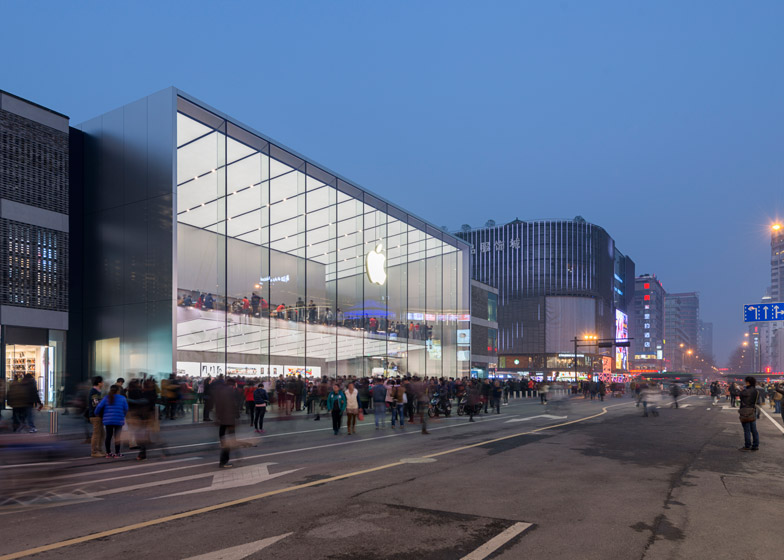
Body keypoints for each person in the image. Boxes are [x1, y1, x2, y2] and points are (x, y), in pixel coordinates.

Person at [94, 385, 128, 458]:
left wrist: (96, 413)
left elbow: (99, 406)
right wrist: (123, 415)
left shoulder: (106, 397)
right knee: (117, 437)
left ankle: (108, 453)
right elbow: (126, 409)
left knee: (108, 436)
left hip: (108, 420)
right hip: (119, 420)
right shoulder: (122, 398)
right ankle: (117, 453)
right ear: (118, 391)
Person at [214, 377, 239, 468]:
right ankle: (223, 461)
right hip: (228, 420)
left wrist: (218, 417)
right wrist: (235, 417)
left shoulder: (220, 390)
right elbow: (232, 405)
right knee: (228, 441)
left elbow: (218, 405)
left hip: (222, 420)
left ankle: (224, 460)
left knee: (224, 440)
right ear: (233, 384)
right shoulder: (230, 391)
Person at [85, 376, 105, 457]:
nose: (103, 384)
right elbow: (96, 404)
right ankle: (94, 451)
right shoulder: (94, 392)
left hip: (99, 415)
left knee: (102, 434)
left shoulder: (98, 391)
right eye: (102, 382)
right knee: (96, 434)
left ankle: (99, 449)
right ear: (99, 383)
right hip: (95, 415)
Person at [738, 376, 760, 451]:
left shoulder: (745, 391)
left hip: (745, 411)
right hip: (752, 410)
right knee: (754, 429)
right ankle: (755, 445)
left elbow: (740, 395)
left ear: (748, 382)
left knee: (746, 430)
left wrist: (741, 390)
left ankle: (747, 445)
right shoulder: (755, 391)